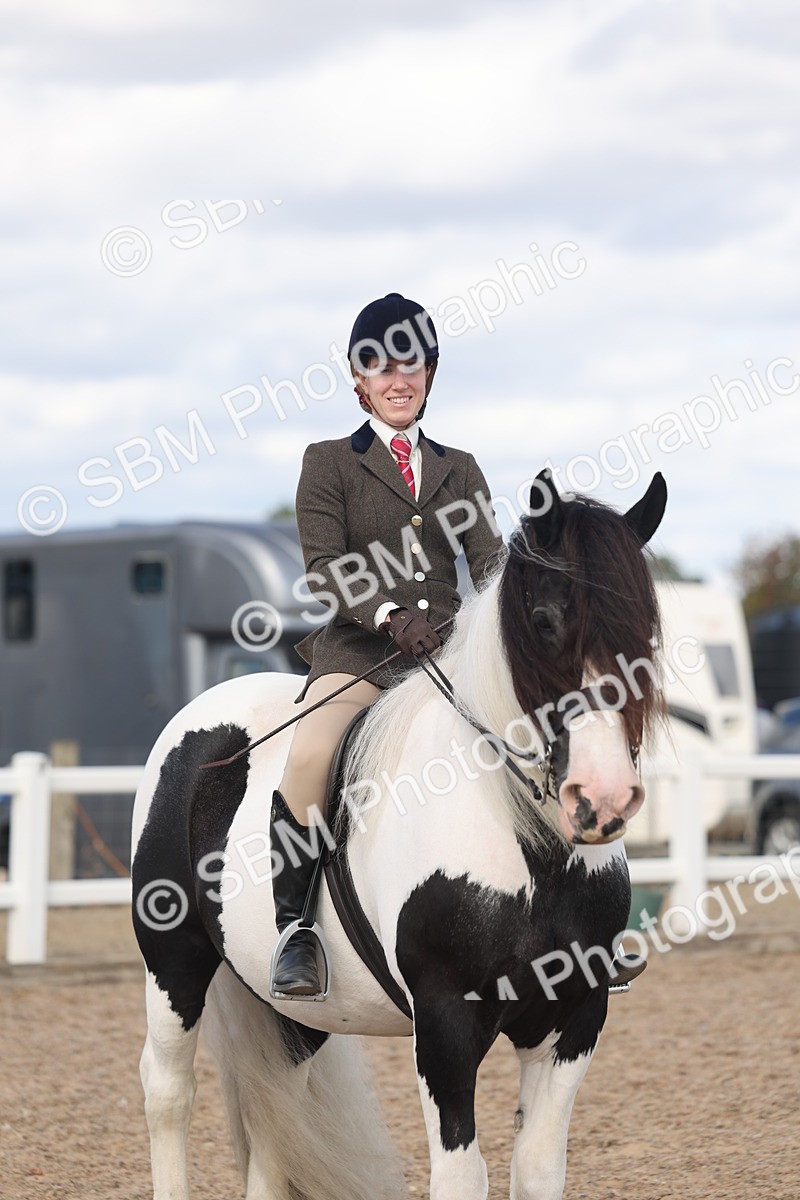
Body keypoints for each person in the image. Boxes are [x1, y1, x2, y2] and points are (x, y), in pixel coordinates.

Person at [271, 292, 505, 997]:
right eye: (380, 367)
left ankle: (576, 917)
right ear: (359, 379)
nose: (397, 380)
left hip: (448, 657)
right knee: (310, 754)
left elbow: (489, 565)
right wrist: (388, 613)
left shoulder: (460, 468)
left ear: (429, 374)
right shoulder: (329, 462)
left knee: (542, 737)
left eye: (410, 365)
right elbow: (324, 567)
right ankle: (295, 929)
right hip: (362, 657)